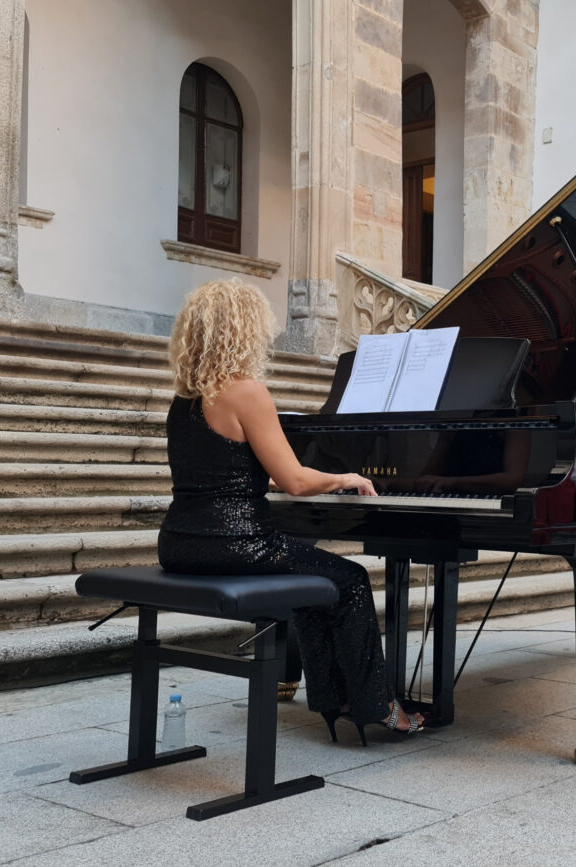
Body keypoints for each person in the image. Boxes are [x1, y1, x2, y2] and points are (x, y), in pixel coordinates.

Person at [157, 279, 424, 743]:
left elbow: (227, 475)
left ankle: (334, 699)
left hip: (179, 544)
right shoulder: (247, 392)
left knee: (315, 581)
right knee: (350, 579)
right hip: (236, 543)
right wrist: (344, 477)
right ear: (242, 330)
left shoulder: (183, 402)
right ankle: (376, 705)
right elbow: (295, 481)